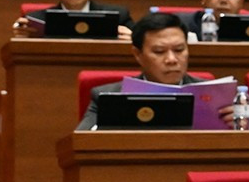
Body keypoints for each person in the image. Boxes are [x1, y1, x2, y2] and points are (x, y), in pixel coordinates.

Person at [75, 13, 225, 130]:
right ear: (138, 54)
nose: (172, 59)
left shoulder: (213, 94)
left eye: (179, 50)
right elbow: (80, 142)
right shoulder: (109, 98)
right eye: (159, 51)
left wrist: (233, 126)